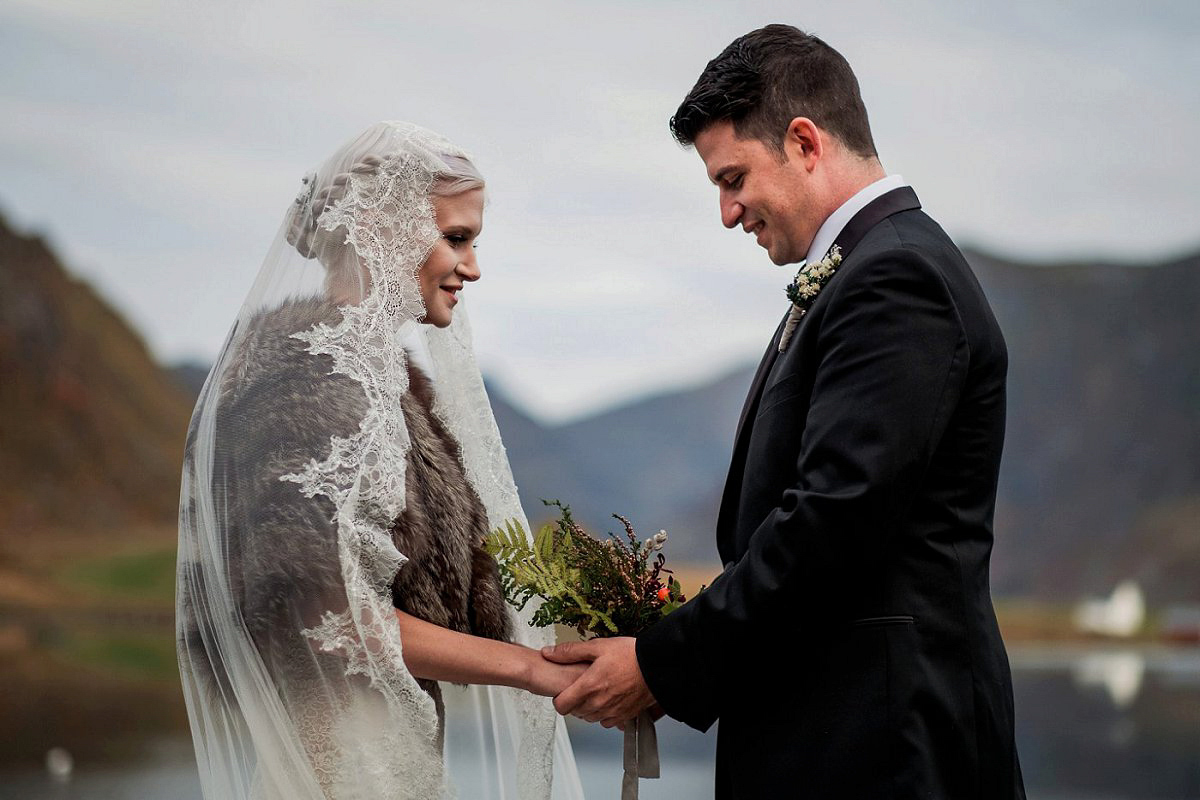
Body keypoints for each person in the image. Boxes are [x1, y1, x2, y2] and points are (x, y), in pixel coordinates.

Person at [544, 25, 1026, 799]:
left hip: (883, 751)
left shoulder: (896, 276)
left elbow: (832, 523)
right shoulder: (860, 270)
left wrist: (661, 663)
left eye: (733, 178)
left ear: (804, 142)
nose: (729, 213)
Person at [176, 121, 586, 800]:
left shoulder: (391, 387)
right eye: (457, 238)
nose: (474, 267)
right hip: (339, 760)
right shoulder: (307, 379)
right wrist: (531, 668)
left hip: (400, 745)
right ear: (377, 225)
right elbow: (332, 616)